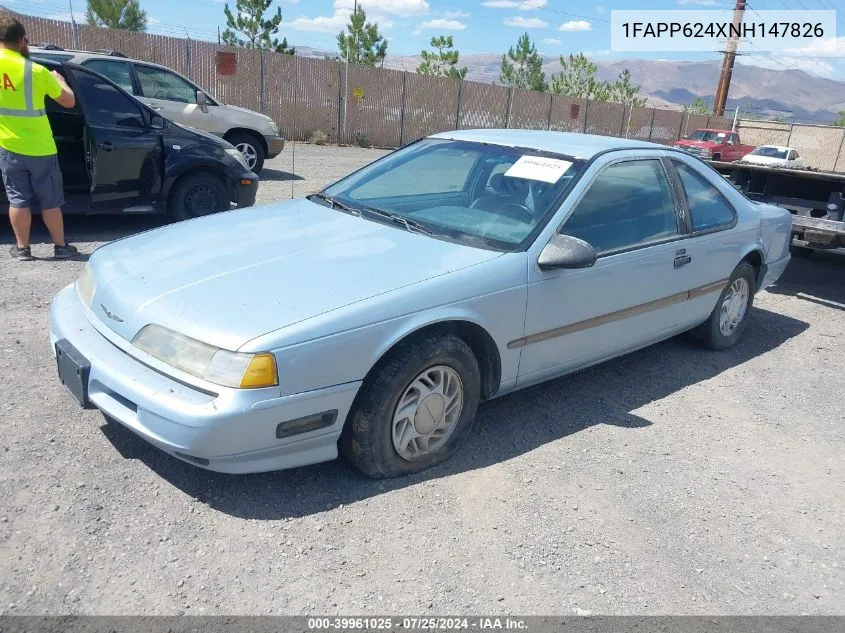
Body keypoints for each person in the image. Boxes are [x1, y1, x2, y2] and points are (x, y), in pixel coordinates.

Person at [0, 16, 78, 261]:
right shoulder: (35, 70)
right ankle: (60, 246)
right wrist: (61, 81)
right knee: (50, 201)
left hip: (9, 146)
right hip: (41, 148)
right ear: (23, 40)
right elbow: (68, 102)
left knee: (18, 199)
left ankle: (22, 249)